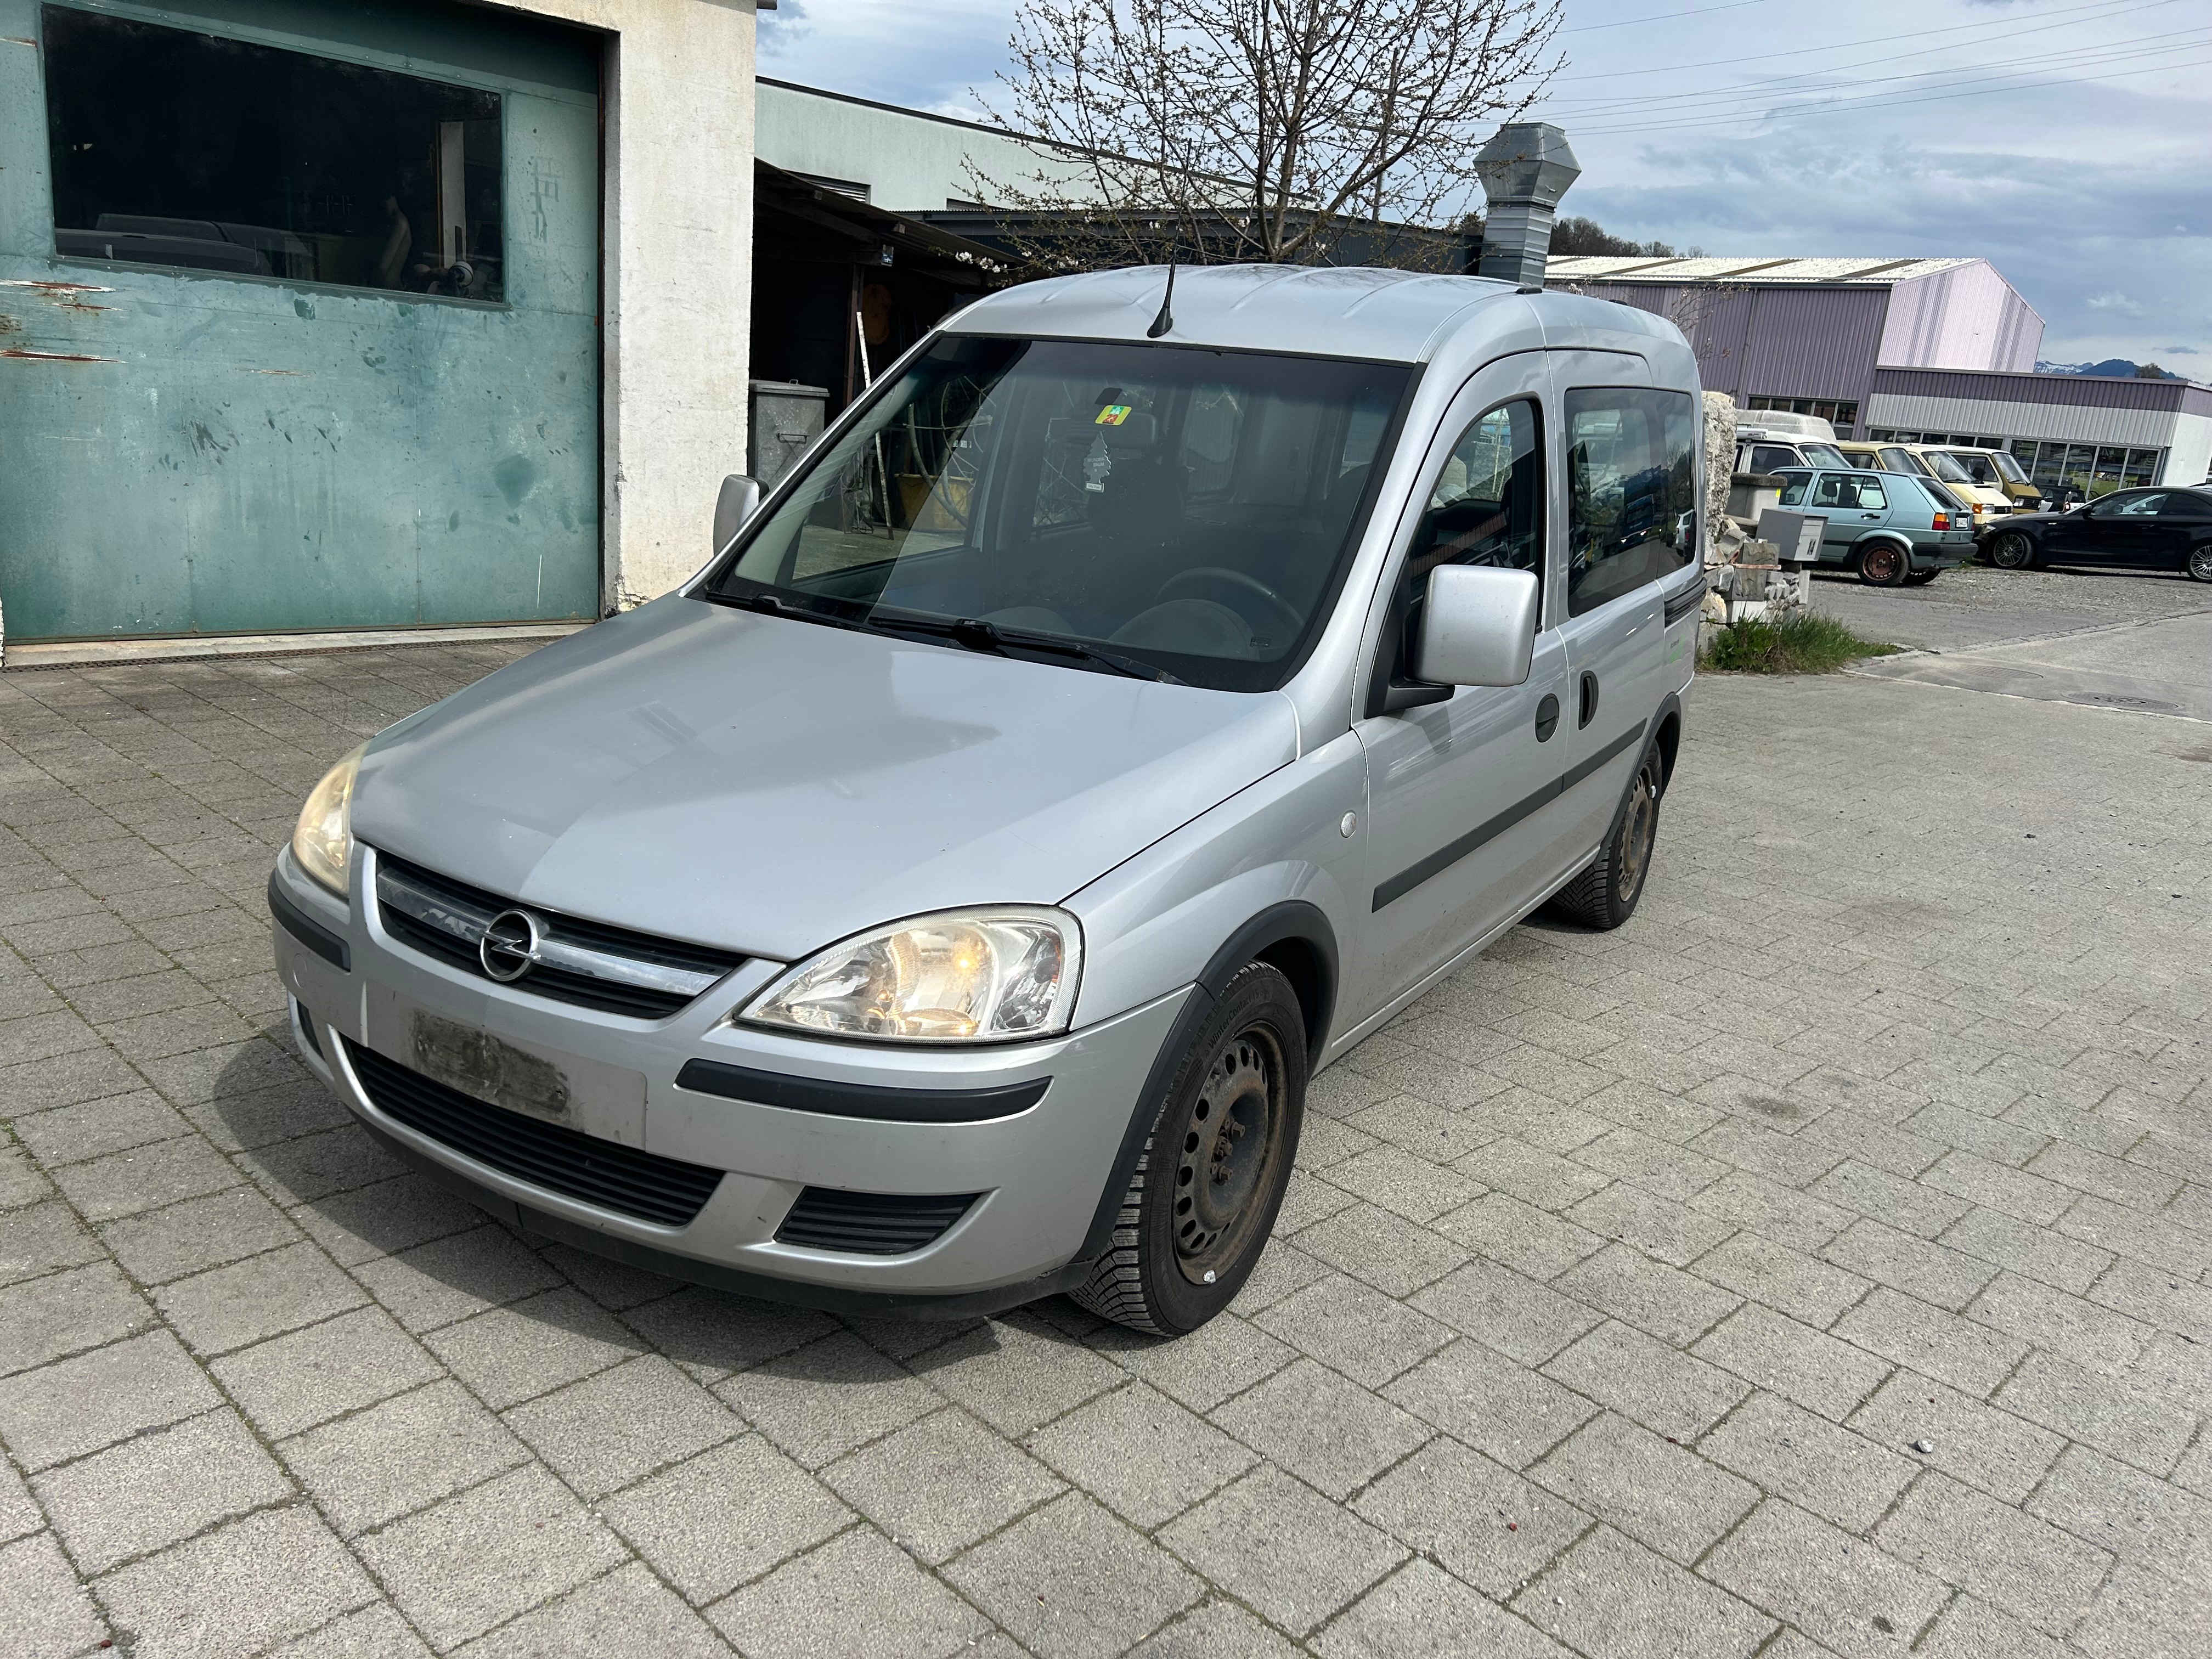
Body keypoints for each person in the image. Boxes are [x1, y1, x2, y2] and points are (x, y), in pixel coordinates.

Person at [375, 196, 413, 289]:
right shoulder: (398, 222)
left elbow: (383, 266)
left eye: (384, 203)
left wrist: (373, 284)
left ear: (392, 199)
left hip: (390, 285)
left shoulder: (400, 223)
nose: (383, 208)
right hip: (392, 285)